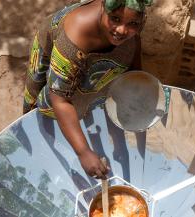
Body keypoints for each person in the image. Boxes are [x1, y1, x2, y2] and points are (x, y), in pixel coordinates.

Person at [23, 0, 152, 179]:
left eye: (133, 24)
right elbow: (59, 98)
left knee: (88, 93)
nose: (122, 30)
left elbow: (133, 58)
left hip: (88, 65)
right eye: (115, 18)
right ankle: (41, 140)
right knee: (49, 105)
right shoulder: (76, 35)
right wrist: (83, 151)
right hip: (59, 60)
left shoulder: (131, 28)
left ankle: (75, 123)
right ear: (103, 7)